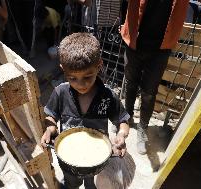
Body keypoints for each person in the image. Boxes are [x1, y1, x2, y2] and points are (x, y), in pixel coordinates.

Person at [40, 32, 130, 189]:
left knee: (92, 182)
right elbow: (51, 116)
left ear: (99, 65)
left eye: (88, 76)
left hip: (97, 158)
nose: (81, 84)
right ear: (63, 69)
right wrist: (49, 129)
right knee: (72, 183)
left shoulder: (107, 95)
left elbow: (122, 120)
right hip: (68, 158)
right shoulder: (60, 92)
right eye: (72, 78)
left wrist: (121, 135)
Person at [120, 0, 190, 155]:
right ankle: (127, 117)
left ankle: (142, 129)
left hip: (160, 48)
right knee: (130, 83)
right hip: (135, 39)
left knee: (149, 93)